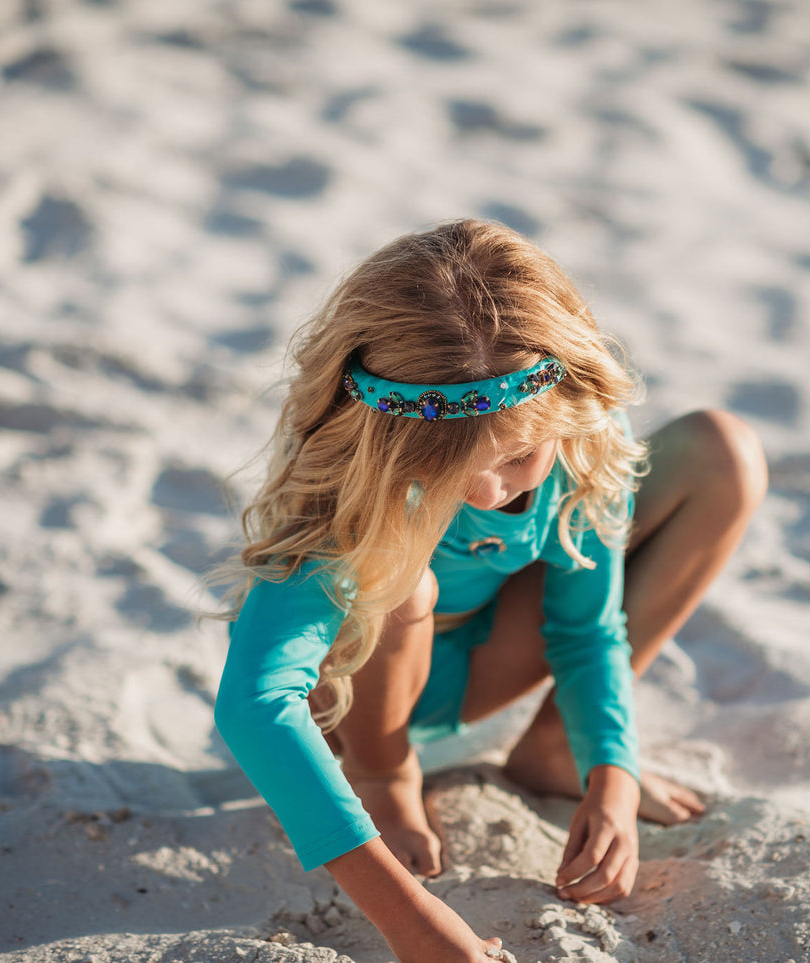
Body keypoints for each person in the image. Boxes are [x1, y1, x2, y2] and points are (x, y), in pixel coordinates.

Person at [211, 219, 767, 962]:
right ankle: (385, 768)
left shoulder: (574, 438)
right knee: (406, 582)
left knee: (721, 450)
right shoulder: (351, 483)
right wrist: (409, 919)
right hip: (358, 688)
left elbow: (585, 630)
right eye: (444, 466)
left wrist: (612, 772)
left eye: (515, 457)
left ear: (563, 404)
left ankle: (550, 750)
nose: (483, 489)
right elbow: (254, 702)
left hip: (489, 655)